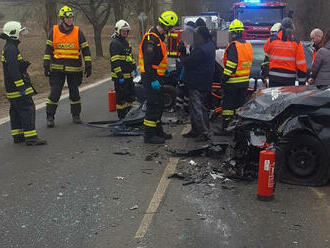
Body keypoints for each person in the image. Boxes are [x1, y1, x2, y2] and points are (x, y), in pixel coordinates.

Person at [43, 5, 92, 128]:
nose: (70, 19)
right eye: (67, 18)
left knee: (74, 93)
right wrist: (46, 64)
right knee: (54, 93)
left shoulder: (77, 31)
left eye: (71, 17)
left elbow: (85, 49)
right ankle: (50, 116)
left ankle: (76, 115)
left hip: (74, 69)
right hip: (57, 69)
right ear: (62, 19)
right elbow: (48, 49)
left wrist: (88, 64)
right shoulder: (54, 31)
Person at [0, 21, 47, 145]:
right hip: (17, 87)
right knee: (27, 109)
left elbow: (14, 67)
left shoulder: (10, 47)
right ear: (14, 34)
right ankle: (31, 138)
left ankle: (18, 136)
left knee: (15, 111)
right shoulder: (11, 49)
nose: (22, 35)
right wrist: (21, 86)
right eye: (20, 32)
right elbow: (13, 70)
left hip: (12, 87)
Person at [139, 10, 178, 144]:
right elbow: (148, 63)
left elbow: (157, 60)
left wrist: (164, 71)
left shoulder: (158, 37)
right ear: (166, 26)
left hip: (157, 76)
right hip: (151, 77)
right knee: (153, 105)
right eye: (170, 28)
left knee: (159, 104)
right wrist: (153, 79)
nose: (171, 30)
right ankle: (149, 135)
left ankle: (158, 131)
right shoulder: (151, 39)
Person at [181, 25, 215, 142]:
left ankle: (203, 132)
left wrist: (183, 53)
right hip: (205, 81)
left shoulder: (200, 49)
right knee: (201, 107)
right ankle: (196, 130)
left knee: (197, 108)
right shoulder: (210, 45)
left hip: (196, 82)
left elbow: (188, 62)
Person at [221, 19, 253, 133]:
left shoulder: (233, 46)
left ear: (233, 33)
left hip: (232, 82)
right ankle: (238, 129)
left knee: (228, 107)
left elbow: (231, 64)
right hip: (244, 82)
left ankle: (226, 128)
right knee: (239, 106)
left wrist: (224, 78)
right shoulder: (248, 45)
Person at [263, 17, 307, 87]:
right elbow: (301, 65)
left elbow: (266, 60)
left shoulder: (271, 40)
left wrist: (265, 76)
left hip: (274, 77)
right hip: (289, 79)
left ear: (280, 27)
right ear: (292, 27)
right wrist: (302, 82)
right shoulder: (296, 43)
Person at [110, 20, 137, 119]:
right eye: (123, 31)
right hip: (120, 78)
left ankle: (130, 117)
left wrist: (134, 67)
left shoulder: (125, 43)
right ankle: (122, 118)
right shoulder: (115, 43)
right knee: (121, 100)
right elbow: (115, 61)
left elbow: (130, 57)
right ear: (118, 31)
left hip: (129, 76)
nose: (125, 32)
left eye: (126, 31)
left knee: (131, 98)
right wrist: (119, 75)